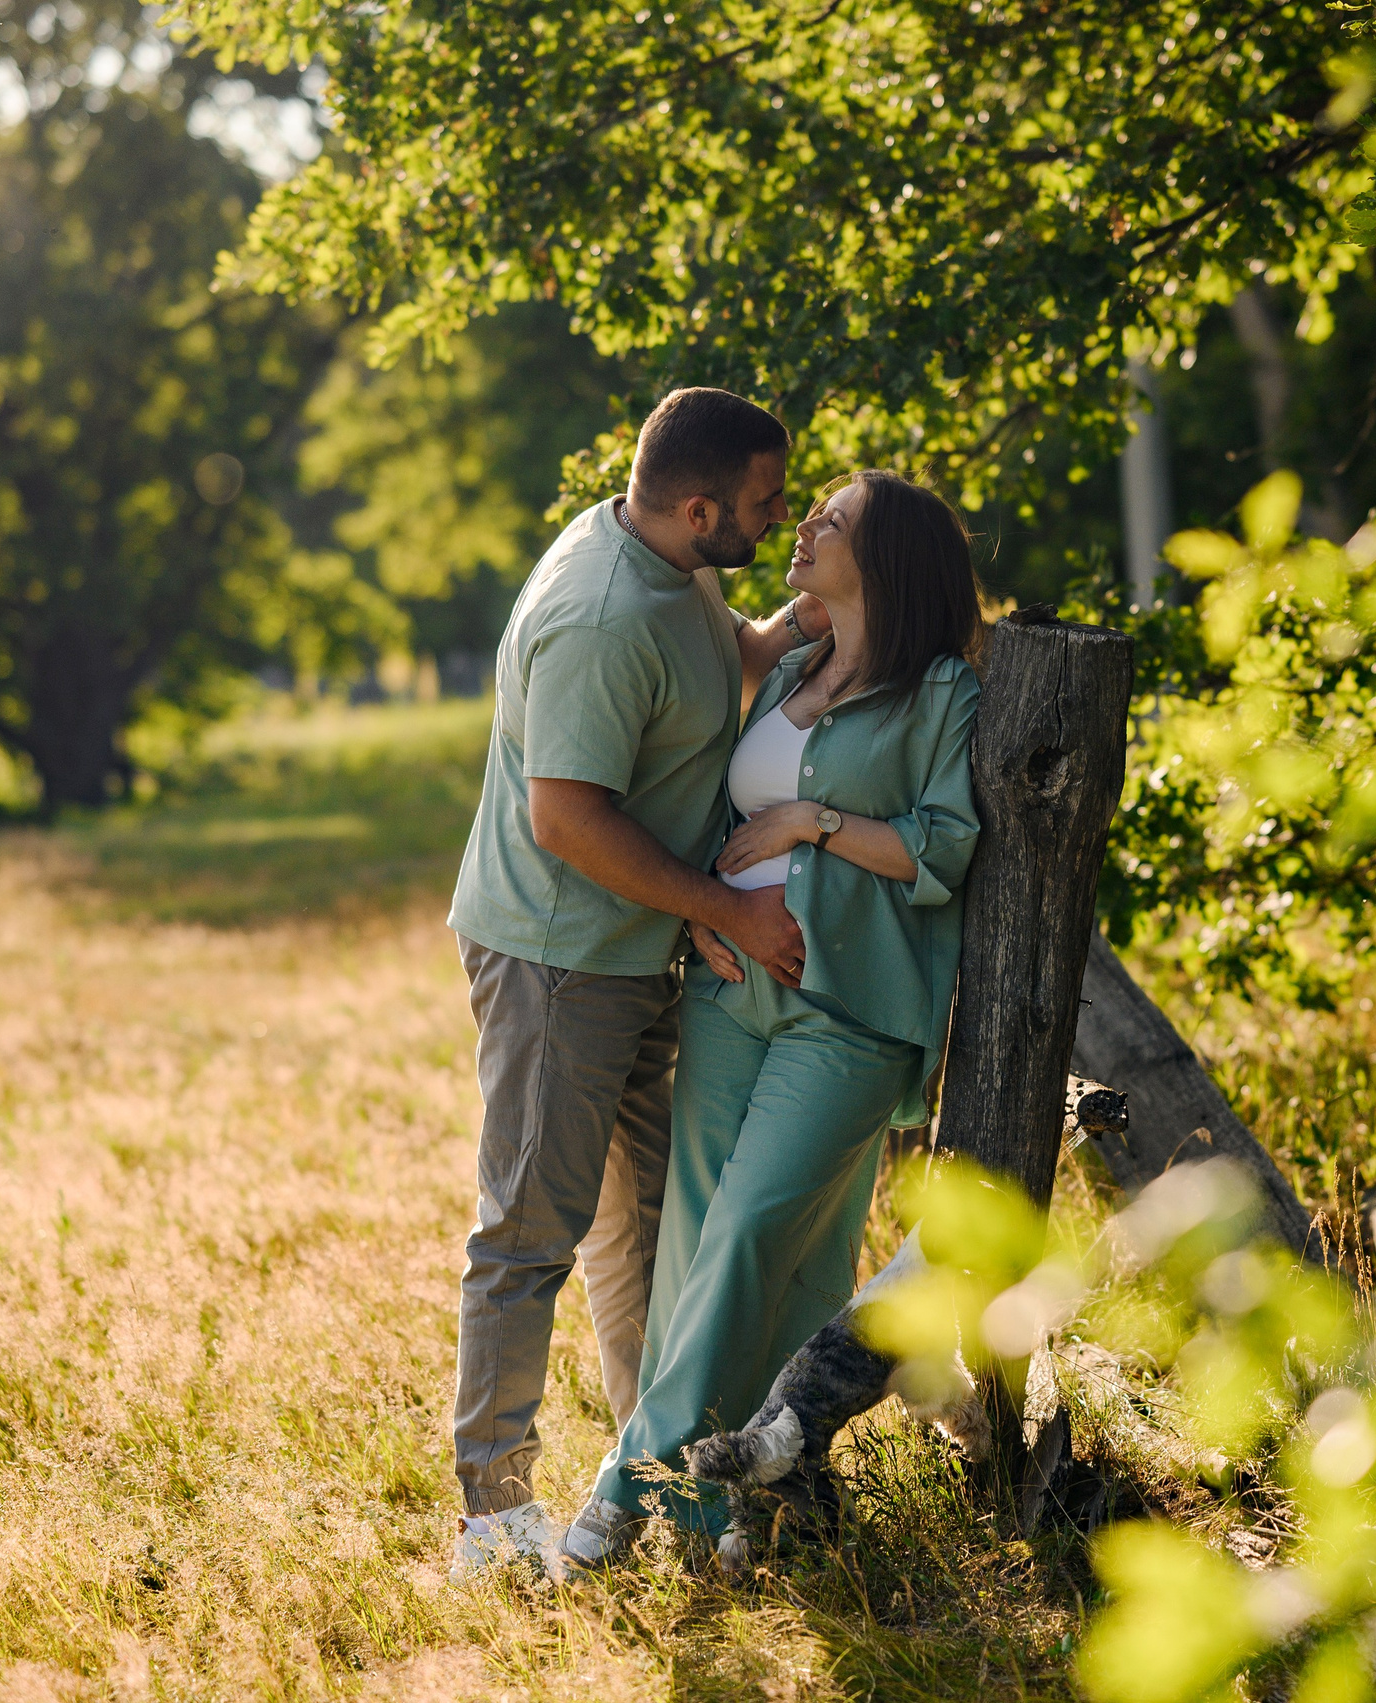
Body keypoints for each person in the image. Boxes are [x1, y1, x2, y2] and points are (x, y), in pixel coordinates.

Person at [559, 469, 985, 1570]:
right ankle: (728, 1514)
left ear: (885, 560)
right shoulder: (791, 668)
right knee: (702, 1246)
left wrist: (812, 819)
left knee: (750, 1235)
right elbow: (726, 816)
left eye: (831, 519)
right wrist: (707, 907)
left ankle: (625, 1488)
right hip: (730, 991)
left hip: (850, 1008)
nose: (804, 524)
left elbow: (942, 847)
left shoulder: (941, 690)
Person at [446, 387, 830, 1575]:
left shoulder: (673, 563)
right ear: (699, 507)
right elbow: (563, 818)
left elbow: (722, 660)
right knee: (530, 1233)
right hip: (558, 960)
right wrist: (723, 906)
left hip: (634, 951)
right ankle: (494, 1519)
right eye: (766, 501)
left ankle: (654, 1479)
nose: (780, 516)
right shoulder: (601, 615)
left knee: (653, 1234)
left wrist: (810, 617)